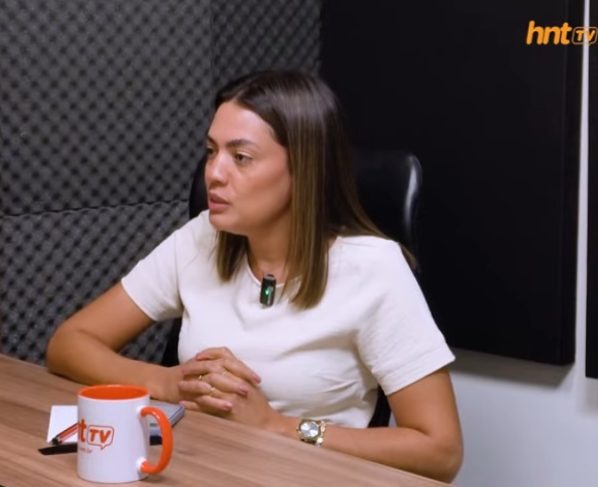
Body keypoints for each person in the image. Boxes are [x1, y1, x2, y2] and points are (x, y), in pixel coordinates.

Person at [47, 70, 462, 481]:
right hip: (202, 470)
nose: (214, 172)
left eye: (240, 157)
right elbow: (69, 343)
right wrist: (168, 382)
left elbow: (440, 451)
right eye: (211, 151)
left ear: (303, 169)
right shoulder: (202, 238)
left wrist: (277, 427)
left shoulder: (373, 268)